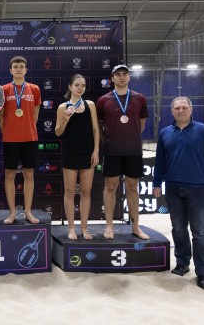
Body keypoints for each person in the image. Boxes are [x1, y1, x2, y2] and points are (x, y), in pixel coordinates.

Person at [153, 96, 204, 290]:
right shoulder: (165, 133)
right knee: (178, 229)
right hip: (173, 188)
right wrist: (157, 182)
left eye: (184, 107)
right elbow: (160, 161)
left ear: (191, 110)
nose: (181, 111)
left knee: (200, 232)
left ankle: (202, 273)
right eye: (177, 108)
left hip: (198, 189)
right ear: (172, 111)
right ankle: (182, 263)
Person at [96, 64, 149, 240]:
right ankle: (109, 226)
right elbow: (99, 126)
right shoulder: (103, 100)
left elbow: (141, 124)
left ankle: (135, 226)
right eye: (117, 74)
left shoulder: (140, 98)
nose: (121, 77)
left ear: (129, 77)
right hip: (112, 150)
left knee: (132, 187)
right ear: (112, 78)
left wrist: (130, 135)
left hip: (133, 150)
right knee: (110, 187)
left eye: (124, 74)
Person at [54, 74, 100, 240]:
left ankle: (84, 228)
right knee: (69, 192)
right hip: (70, 153)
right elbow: (58, 132)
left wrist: (96, 151)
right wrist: (65, 120)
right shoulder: (63, 107)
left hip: (87, 154)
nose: (80, 88)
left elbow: (95, 129)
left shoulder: (90, 105)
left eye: (83, 85)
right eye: (77, 85)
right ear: (70, 87)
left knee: (86, 192)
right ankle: (71, 228)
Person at [0, 56, 41, 224]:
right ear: (10, 70)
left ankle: (28, 212)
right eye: (15, 66)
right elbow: (1, 117)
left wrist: (27, 128)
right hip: (10, 139)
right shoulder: (4, 89)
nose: (18, 69)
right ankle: (12, 213)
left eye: (21, 66)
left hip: (30, 138)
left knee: (29, 174)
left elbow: (35, 115)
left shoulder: (34, 89)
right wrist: (9, 132)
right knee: (9, 175)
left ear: (26, 70)